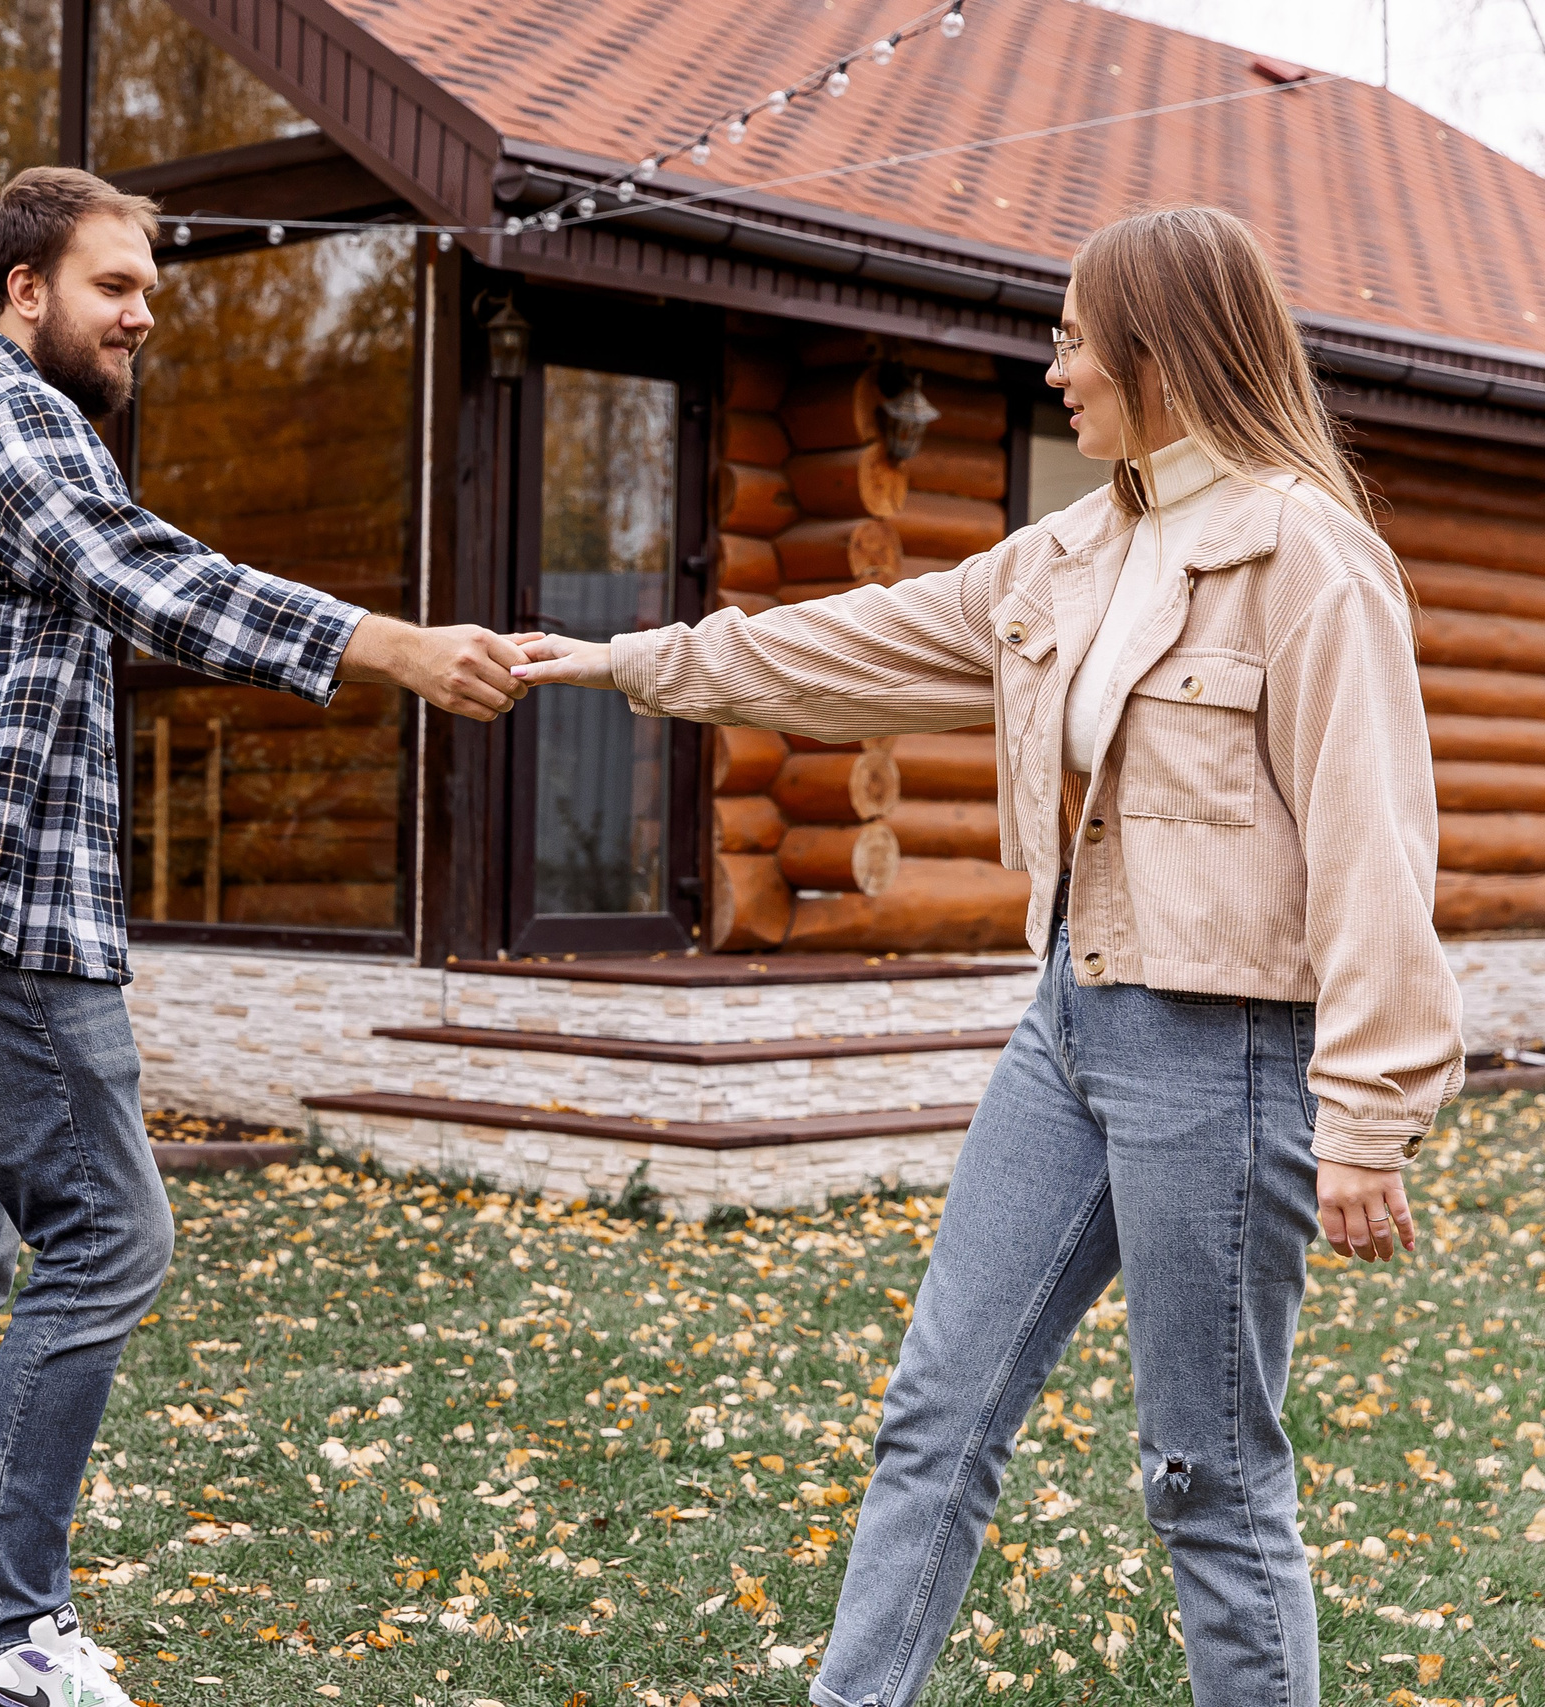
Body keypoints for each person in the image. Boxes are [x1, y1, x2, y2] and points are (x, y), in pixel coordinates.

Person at [512, 205, 1461, 1707]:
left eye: (1077, 335)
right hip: (1067, 1025)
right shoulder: (1073, 555)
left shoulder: (1307, 560)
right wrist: (630, 663)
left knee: (1205, 1474)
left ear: (1160, 348)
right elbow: (842, 644)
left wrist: (1369, 1115)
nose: (1057, 365)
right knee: (936, 1413)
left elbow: (1372, 843)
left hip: (1226, 1062)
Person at [0, 166, 535, 1707]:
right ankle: (8, 1643)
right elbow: (149, 575)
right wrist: (393, 646)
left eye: (149, 287)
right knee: (110, 1237)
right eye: (113, 285)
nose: (142, 312)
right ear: (27, 290)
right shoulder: (7, 416)